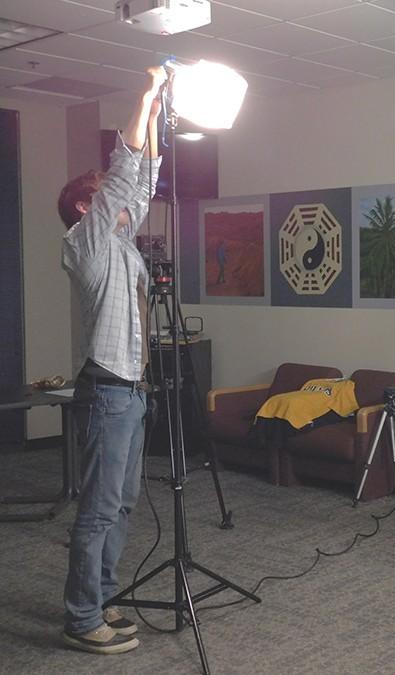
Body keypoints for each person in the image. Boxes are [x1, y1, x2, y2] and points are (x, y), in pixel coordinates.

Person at [58, 66, 166, 655]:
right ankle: (80, 619)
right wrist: (143, 95)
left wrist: (156, 117)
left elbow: (142, 179)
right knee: (98, 509)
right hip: (107, 390)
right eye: (101, 190)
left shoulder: (120, 245)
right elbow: (126, 175)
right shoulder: (86, 244)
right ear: (84, 205)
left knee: (121, 503)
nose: (116, 196)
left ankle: (101, 596)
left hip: (132, 392)